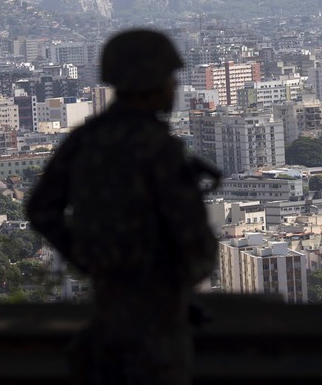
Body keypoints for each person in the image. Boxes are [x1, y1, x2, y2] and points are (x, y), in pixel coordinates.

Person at [27, 28, 221, 385]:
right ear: (149, 82)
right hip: (159, 328)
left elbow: (41, 210)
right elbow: (195, 241)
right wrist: (175, 281)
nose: (173, 88)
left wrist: (91, 260)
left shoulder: (85, 139)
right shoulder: (159, 148)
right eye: (168, 79)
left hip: (107, 318)